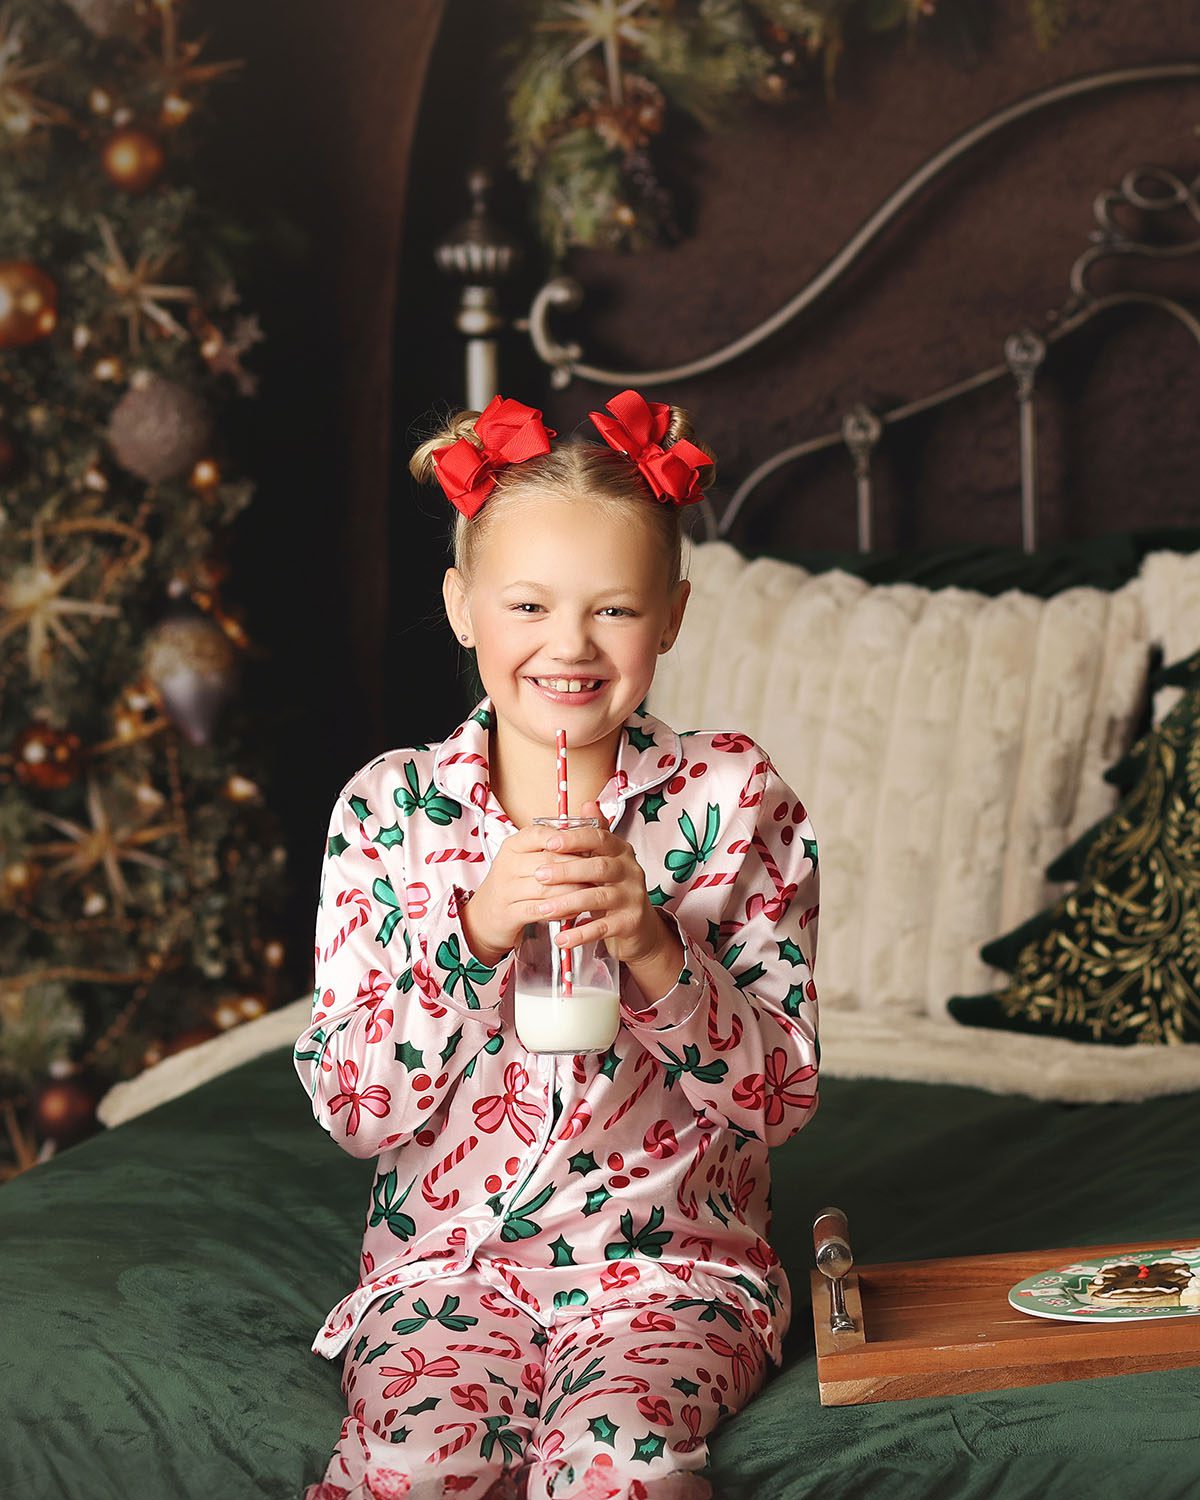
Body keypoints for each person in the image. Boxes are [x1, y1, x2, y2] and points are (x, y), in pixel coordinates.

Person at [295, 389, 820, 1500]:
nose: (569, 647)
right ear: (461, 607)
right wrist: (475, 934)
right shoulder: (391, 814)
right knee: (418, 1459)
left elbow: (780, 1099)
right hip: (448, 1278)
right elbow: (352, 1111)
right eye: (527, 605)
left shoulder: (733, 798)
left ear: (672, 617)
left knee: (620, 1463)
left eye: (615, 612)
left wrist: (658, 952)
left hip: (671, 1279)